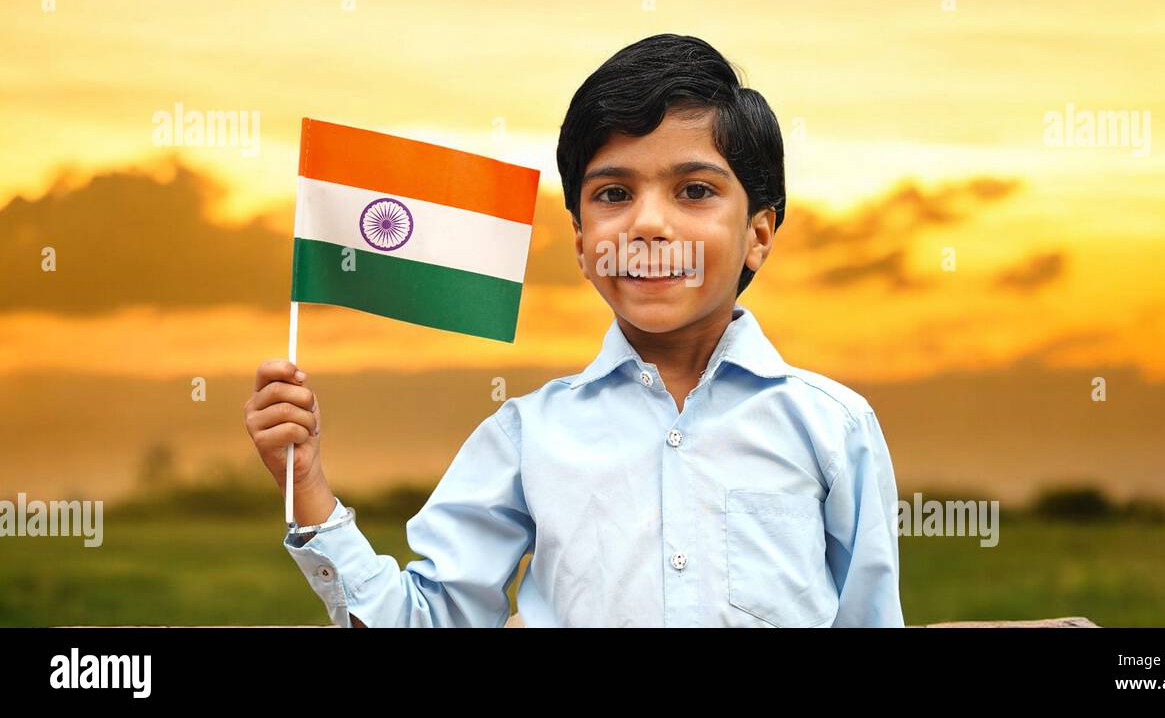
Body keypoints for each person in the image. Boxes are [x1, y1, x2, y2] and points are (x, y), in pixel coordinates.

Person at [242, 33, 905, 627]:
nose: (648, 224)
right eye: (614, 194)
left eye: (695, 190)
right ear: (584, 246)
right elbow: (426, 620)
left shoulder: (832, 428)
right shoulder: (528, 437)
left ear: (758, 234)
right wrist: (308, 488)